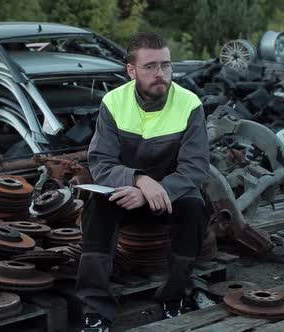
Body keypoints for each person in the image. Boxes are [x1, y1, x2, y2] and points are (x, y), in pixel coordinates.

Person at [76, 32, 210, 332]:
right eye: (150, 66)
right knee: (97, 208)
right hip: (125, 191)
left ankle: (173, 297)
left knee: (195, 209)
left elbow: (196, 167)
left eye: (166, 65)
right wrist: (138, 181)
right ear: (131, 70)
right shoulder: (113, 102)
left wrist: (155, 191)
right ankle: (96, 310)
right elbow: (101, 161)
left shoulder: (190, 104)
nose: (160, 73)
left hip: (172, 195)